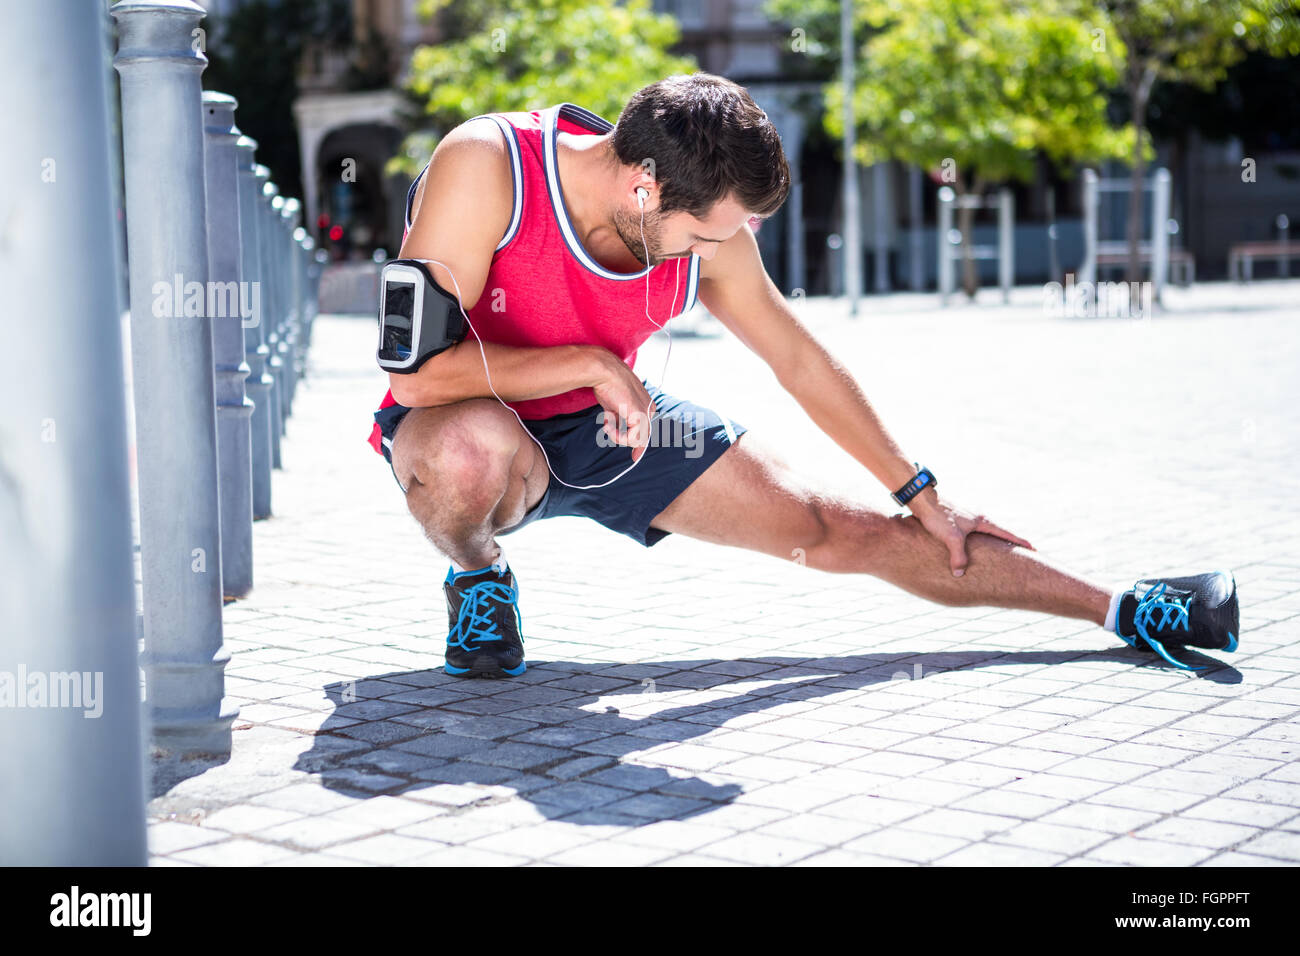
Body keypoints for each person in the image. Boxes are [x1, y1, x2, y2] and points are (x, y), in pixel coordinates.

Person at [366, 73, 1238, 678]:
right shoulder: (487, 168)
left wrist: (919, 487)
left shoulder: (705, 224)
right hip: (470, 416)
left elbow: (797, 359)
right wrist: (590, 362)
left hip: (614, 427)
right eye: (706, 236)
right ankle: (479, 576)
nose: (716, 255)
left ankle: (1122, 606)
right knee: (470, 461)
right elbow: (413, 380)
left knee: (836, 528)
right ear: (642, 187)